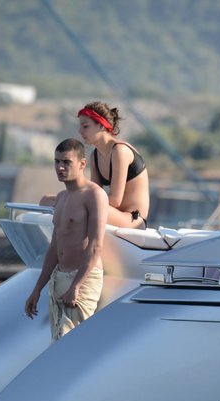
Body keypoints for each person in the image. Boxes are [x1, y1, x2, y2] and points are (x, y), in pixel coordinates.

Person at [24, 138, 108, 341]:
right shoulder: (61, 197)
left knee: (73, 344)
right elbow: (54, 247)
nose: (60, 167)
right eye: (57, 161)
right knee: (57, 342)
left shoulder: (94, 195)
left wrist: (76, 286)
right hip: (59, 278)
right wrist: (37, 289)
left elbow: (96, 245)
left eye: (66, 162)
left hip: (82, 280)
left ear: (82, 164)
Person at [78, 101, 150, 229]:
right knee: (48, 200)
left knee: (78, 206)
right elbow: (95, 193)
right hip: (113, 214)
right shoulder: (95, 156)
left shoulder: (119, 151)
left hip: (133, 220)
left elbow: (115, 200)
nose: (80, 131)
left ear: (101, 125)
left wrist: (76, 201)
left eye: (85, 126)